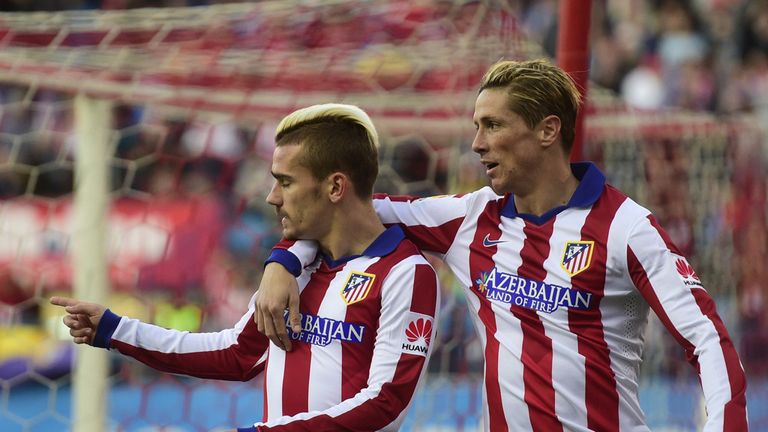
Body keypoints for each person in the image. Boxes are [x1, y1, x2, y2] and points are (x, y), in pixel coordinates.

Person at [255, 59, 749, 431]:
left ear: (547, 131)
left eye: (492, 125)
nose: (476, 143)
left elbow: (707, 340)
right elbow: (341, 208)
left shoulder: (626, 227)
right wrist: (283, 259)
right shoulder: (469, 220)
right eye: (476, 127)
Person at [51, 103, 440, 431]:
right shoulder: (297, 266)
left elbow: (386, 401)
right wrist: (115, 329)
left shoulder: (406, 272)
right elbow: (238, 353)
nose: (271, 197)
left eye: (285, 182)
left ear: (335, 187)